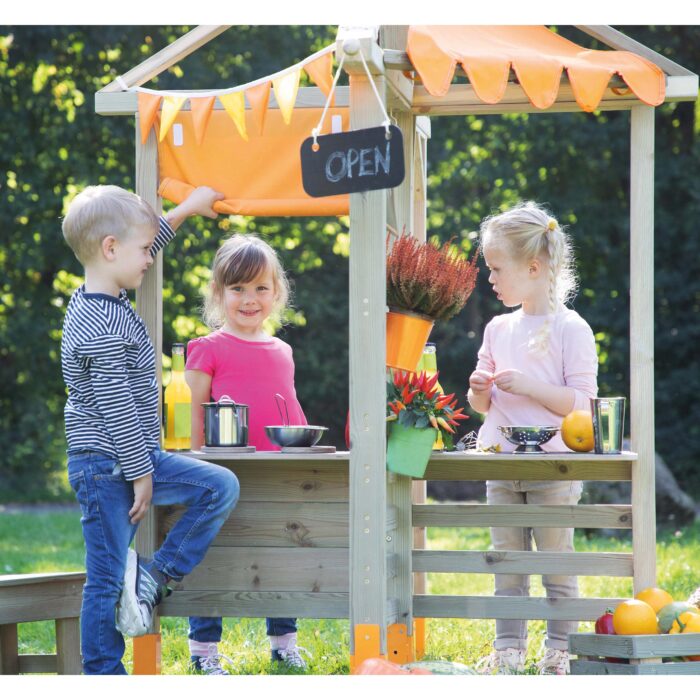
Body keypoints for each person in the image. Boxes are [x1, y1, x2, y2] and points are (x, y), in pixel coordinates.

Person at [61, 184, 240, 675]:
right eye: (143, 251)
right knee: (104, 575)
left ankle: (156, 575)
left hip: (135, 457)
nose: (149, 258)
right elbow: (115, 405)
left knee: (219, 485)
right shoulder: (97, 322)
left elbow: (142, 241)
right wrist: (142, 475)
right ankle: (103, 673)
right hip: (106, 467)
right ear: (110, 249)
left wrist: (183, 211)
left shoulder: (109, 293)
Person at [467, 202, 598, 675]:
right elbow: (483, 406)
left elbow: (583, 405)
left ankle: (560, 650)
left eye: (497, 268)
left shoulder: (571, 328)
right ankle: (508, 649)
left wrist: (529, 387)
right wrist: (478, 391)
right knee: (508, 564)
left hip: (554, 468)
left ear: (534, 267)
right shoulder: (497, 327)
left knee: (556, 566)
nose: (491, 279)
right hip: (500, 464)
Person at [184, 234, 310, 674]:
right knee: (213, 554)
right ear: (219, 293)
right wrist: (199, 465)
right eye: (237, 288)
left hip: (274, 473)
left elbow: (288, 410)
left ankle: (283, 641)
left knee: (281, 550)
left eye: (260, 288)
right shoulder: (207, 348)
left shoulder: (283, 351)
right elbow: (195, 417)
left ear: (277, 292)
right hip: (220, 476)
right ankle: (203, 651)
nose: (249, 299)